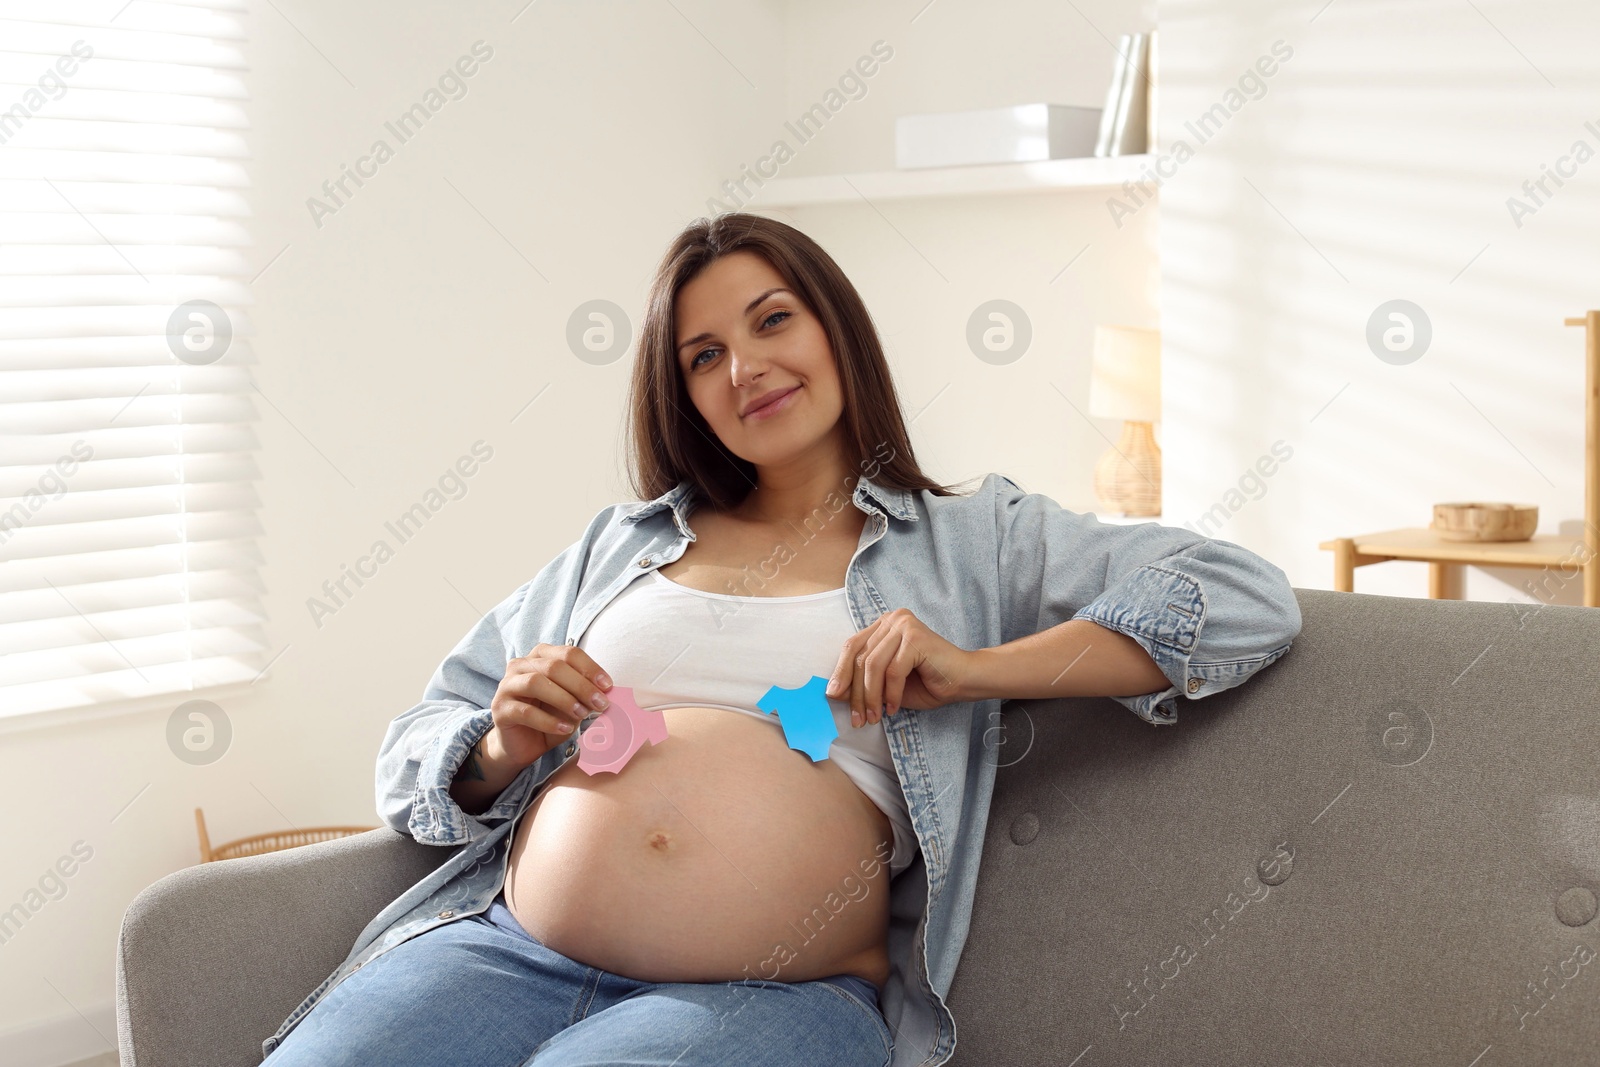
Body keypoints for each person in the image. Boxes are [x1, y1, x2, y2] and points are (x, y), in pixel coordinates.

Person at [261, 213, 1302, 1067]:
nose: (744, 367)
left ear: (835, 329)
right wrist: (498, 746)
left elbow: (1242, 597)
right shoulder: (617, 547)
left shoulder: (977, 540)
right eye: (703, 355)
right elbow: (415, 743)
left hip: (767, 997)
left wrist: (972, 670)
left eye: (772, 321)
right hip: (507, 953)